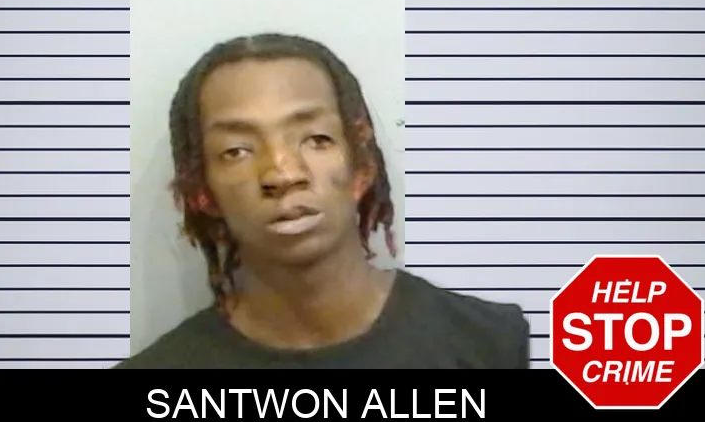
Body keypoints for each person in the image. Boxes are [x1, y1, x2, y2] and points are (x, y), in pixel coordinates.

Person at [116, 33, 530, 369]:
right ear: (201, 191)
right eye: (237, 150)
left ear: (361, 164)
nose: (283, 174)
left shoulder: (489, 345)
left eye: (316, 139)